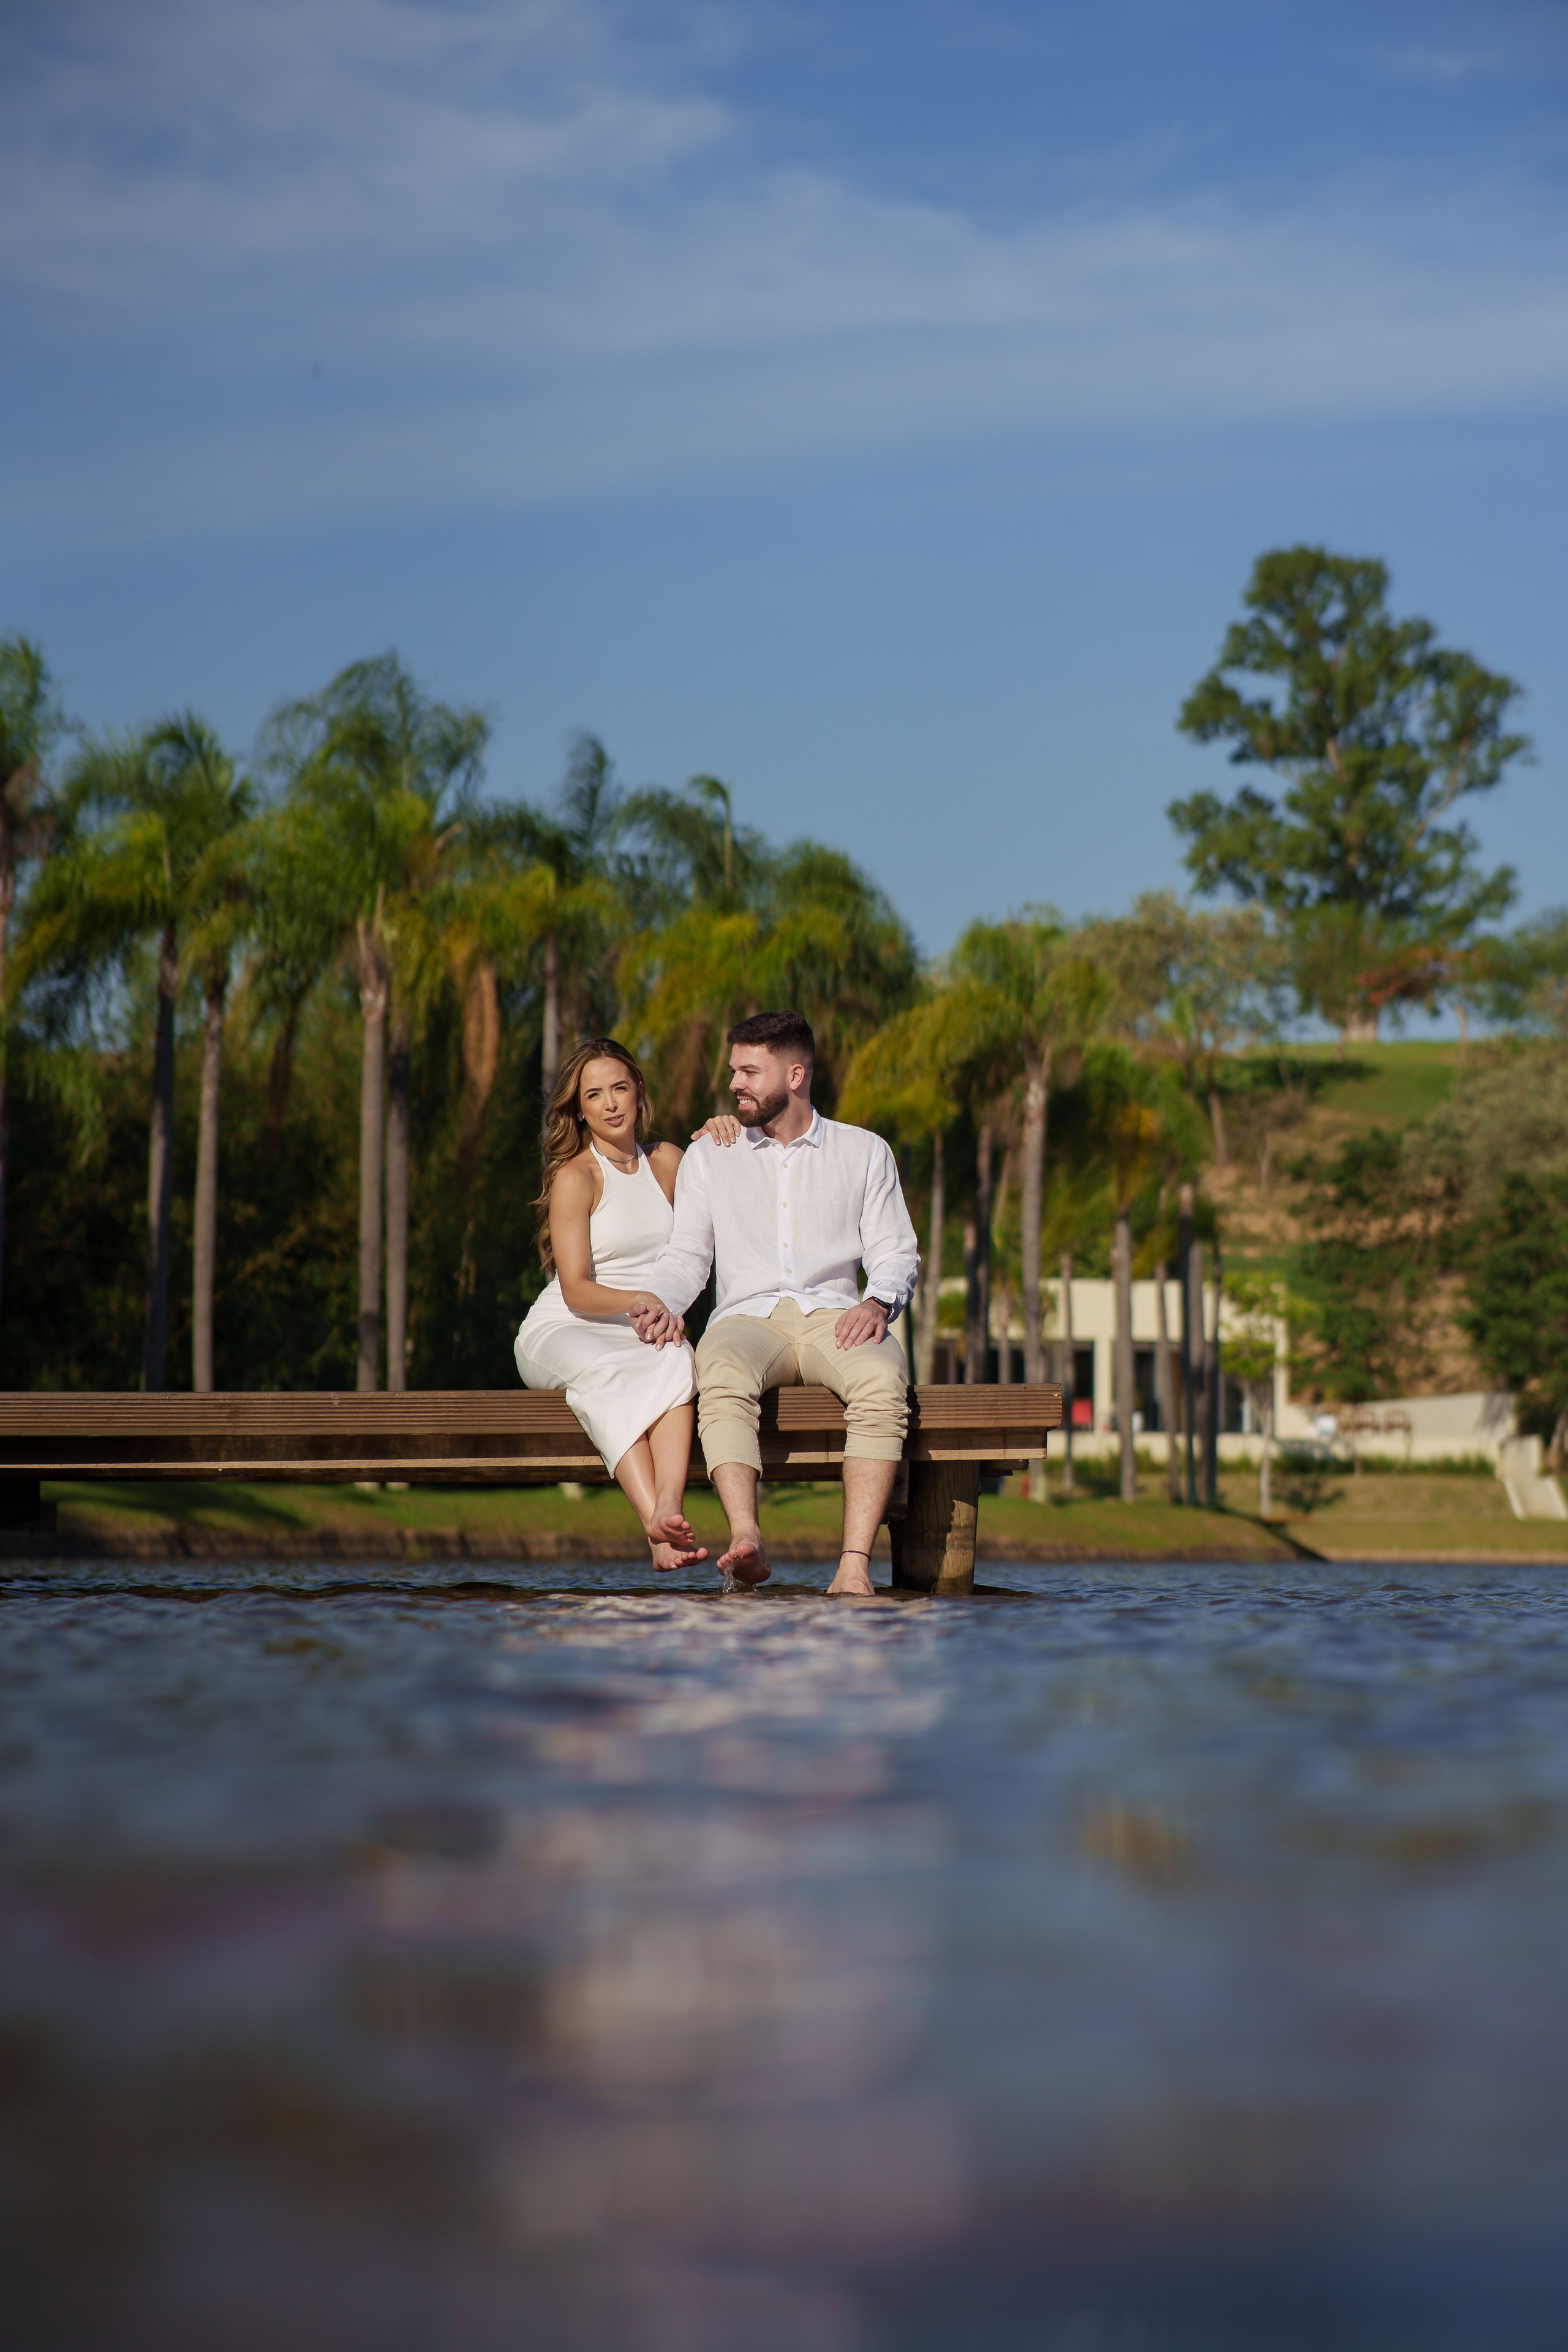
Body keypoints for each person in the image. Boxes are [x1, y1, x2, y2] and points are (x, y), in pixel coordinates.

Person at [630, 1011, 919, 1597]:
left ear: (794, 1074)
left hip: (836, 1315)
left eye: (749, 1071)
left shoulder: (864, 1152)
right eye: (733, 1069)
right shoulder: (712, 1155)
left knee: (884, 1384)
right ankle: (747, 1538)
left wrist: (878, 1303)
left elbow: (896, 1252)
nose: (735, 1082)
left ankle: (854, 1564)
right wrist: (664, 1301)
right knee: (720, 1372)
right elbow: (689, 1253)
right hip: (746, 1318)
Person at [514, 1038, 712, 1574]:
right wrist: (647, 1302)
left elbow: (728, 1197)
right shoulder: (576, 1177)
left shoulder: (669, 1162)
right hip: (567, 1326)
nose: (609, 1104)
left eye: (619, 1088)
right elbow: (575, 1287)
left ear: (638, 1091)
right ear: (579, 1108)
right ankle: (655, 1527)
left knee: (678, 1359)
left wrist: (724, 1134)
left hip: (639, 1326)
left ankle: (670, 1506)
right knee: (605, 1372)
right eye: (594, 1094)